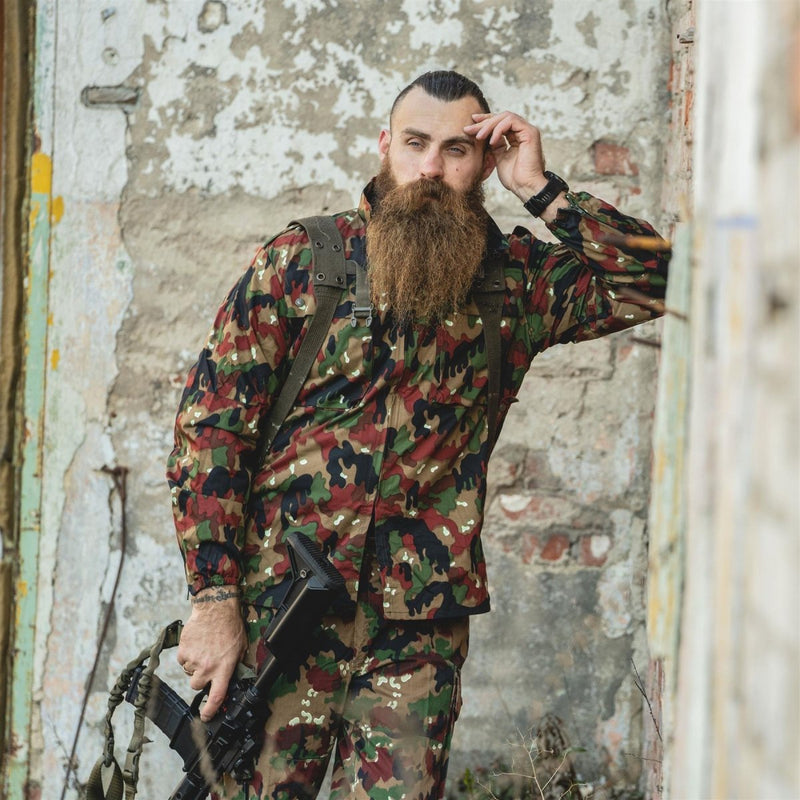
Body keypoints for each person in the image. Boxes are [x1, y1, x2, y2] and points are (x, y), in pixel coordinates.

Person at [167, 70, 669, 799]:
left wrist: (543, 191)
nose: (431, 168)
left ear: (486, 160)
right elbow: (210, 434)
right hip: (279, 619)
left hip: (416, 633)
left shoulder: (515, 285)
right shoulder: (306, 262)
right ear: (383, 146)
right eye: (415, 143)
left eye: (457, 149)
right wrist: (214, 600)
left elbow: (659, 282)